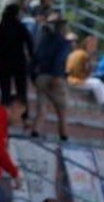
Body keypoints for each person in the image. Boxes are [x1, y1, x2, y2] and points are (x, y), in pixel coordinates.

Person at [30, 13, 72, 142]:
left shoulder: (43, 41)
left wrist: (34, 77)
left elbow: (34, 58)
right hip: (54, 77)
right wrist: (56, 76)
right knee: (62, 111)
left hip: (41, 77)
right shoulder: (64, 42)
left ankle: (35, 133)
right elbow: (60, 60)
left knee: (41, 109)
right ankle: (64, 137)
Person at [0, 4, 33, 109]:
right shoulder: (21, 27)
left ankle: (4, 113)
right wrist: (31, 59)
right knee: (21, 91)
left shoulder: (1, 27)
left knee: (5, 91)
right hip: (19, 62)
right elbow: (30, 43)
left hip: (3, 62)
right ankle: (24, 116)